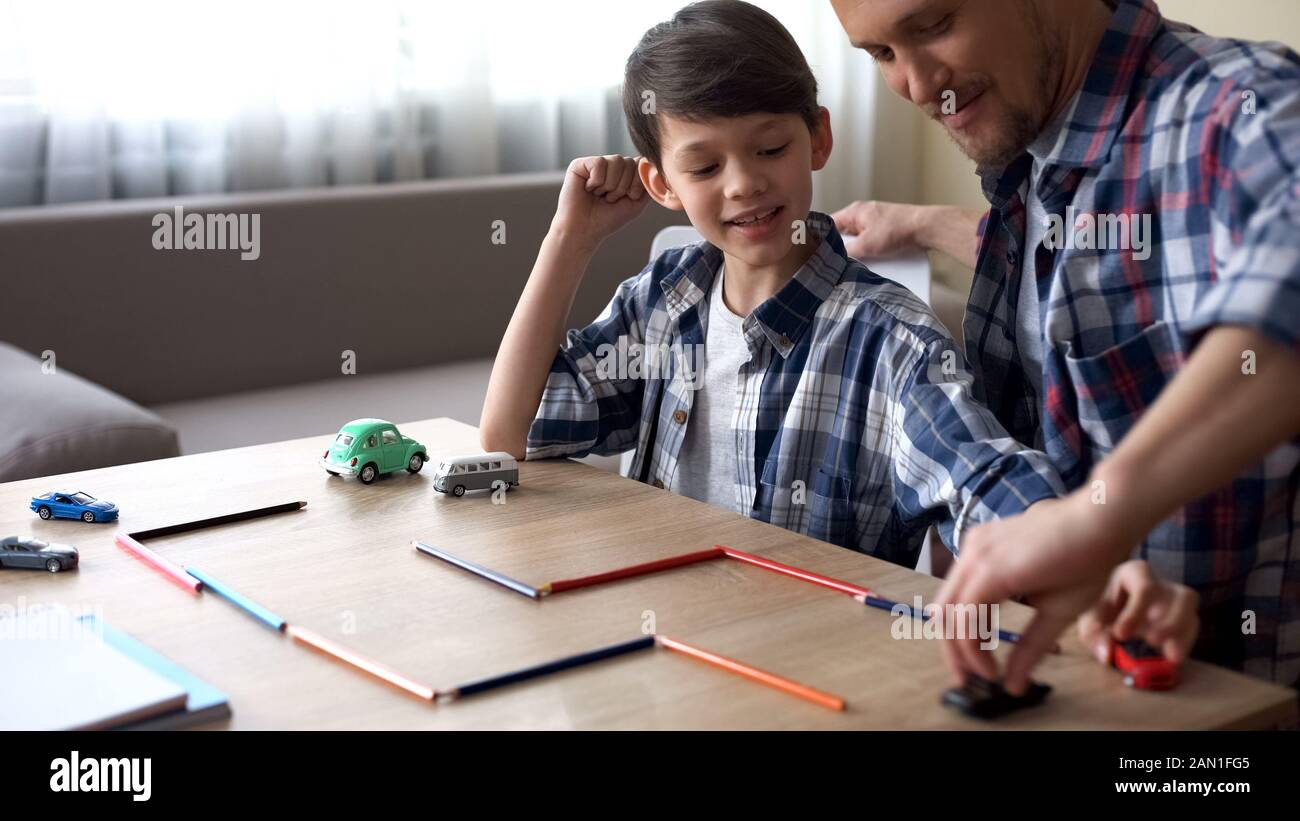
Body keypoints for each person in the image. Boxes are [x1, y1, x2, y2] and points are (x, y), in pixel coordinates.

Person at [480, 0, 1198, 665]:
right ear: (662, 183)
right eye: (704, 165)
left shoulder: (890, 339)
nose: (743, 185)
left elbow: (982, 474)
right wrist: (570, 238)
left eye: (769, 149)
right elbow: (510, 430)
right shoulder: (663, 303)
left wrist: (1103, 568)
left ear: (818, 137)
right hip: (663, 650)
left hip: (813, 666)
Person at [830, 0, 1300, 691]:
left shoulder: (1241, 107)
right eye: (881, 55)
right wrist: (928, 225)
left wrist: (1096, 514)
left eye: (933, 25)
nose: (920, 86)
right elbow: (1111, 254)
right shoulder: (1036, 161)